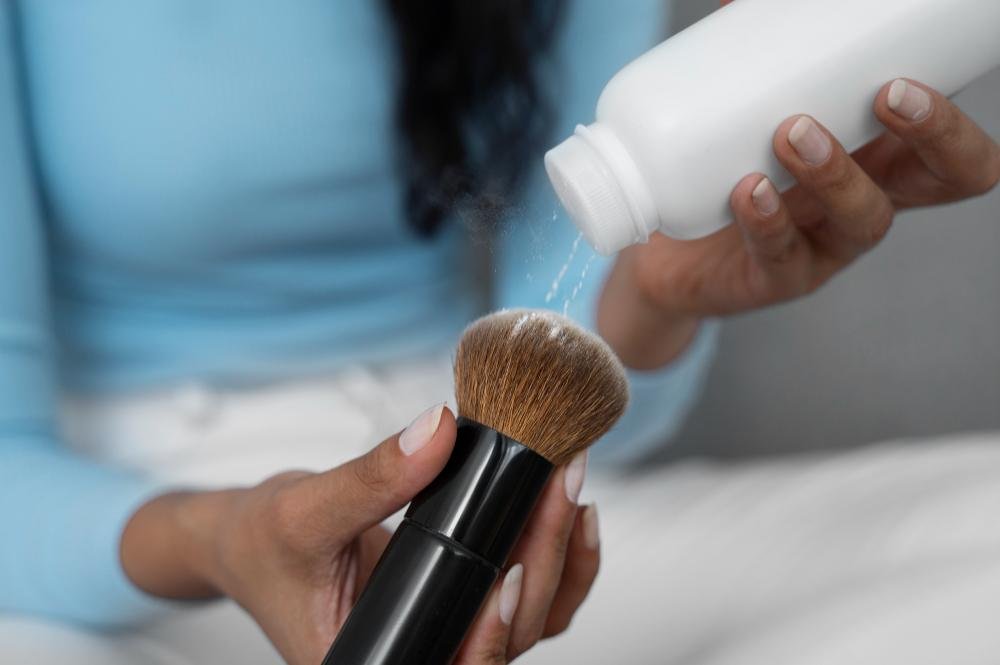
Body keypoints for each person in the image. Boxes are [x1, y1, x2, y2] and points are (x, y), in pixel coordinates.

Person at [1, 1, 996, 663]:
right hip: (124, 537)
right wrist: (221, 537)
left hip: (446, 459)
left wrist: (650, 297)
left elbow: (551, 339)